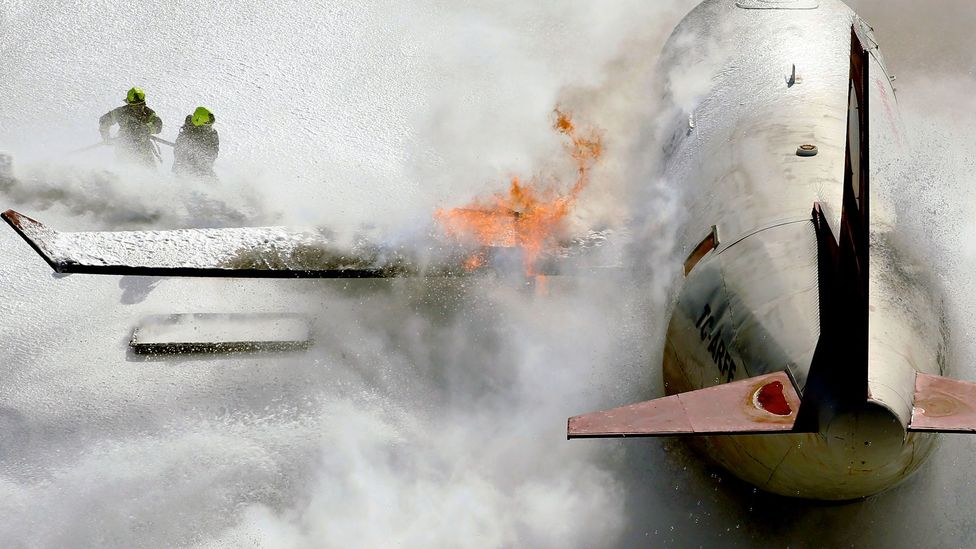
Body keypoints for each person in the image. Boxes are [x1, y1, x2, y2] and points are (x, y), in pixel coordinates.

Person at [98, 87, 163, 167]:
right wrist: (106, 137)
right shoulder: (121, 112)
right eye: (135, 106)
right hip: (125, 150)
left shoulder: (149, 113)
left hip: (144, 151)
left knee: (151, 174)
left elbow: (158, 124)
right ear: (129, 104)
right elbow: (104, 120)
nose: (139, 108)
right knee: (124, 172)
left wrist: (147, 128)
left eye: (141, 105)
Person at [173, 106, 219, 178]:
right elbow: (178, 151)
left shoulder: (212, 133)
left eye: (210, 125)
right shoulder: (187, 131)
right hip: (184, 169)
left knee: (216, 186)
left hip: (205, 169)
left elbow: (214, 151)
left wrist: (205, 158)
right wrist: (192, 156)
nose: (209, 127)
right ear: (198, 121)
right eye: (207, 125)